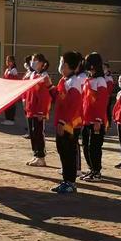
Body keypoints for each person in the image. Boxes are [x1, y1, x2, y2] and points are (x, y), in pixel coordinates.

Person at [50, 52, 83, 194]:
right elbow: (59, 98)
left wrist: (64, 123)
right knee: (62, 150)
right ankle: (66, 180)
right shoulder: (64, 80)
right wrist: (49, 87)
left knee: (68, 151)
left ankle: (70, 182)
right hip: (63, 121)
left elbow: (73, 105)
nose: (60, 65)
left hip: (70, 124)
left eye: (62, 63)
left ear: (70, 67)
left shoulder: (74, 82)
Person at [81, 52, 108, 182]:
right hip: (86, 119)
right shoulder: (88, 80)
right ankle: (91, 169)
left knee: (94, 147)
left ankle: (96, 172)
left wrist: (98, 119)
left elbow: (102, 102)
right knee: (86, 145)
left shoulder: (100, 81)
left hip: (95, 121)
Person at [25, 53, 51, 167]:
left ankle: (41, 156)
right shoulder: (32, 74)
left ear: (42, 63)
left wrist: (41, 111)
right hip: (30, 109)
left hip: (38, 111)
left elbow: (44, 96)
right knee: (32, 133)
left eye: (35, 60)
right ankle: (35, 155)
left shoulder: (44, 76)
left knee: (38, 133)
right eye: (32, 60)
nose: (32, 62)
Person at [1, 55, 19, 126]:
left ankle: (11, 119)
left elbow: (14, 80)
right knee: (6, 105)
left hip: (11, 90)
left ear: (13, 62)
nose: (7, 62)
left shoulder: (14, 70)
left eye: (9, 60)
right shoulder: (7, 70)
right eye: (6, 60)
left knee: (11, 105)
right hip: (6, 90)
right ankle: (7, 118)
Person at [104, 63, 115, 128]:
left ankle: (108, 124)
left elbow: (110, 89)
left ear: (108, 69)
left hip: (107, 97)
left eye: (105, 67)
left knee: (107, 111)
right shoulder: (102, 76)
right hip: (103, 97)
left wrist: (107, 95)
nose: (103, 69)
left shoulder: (109, 78)